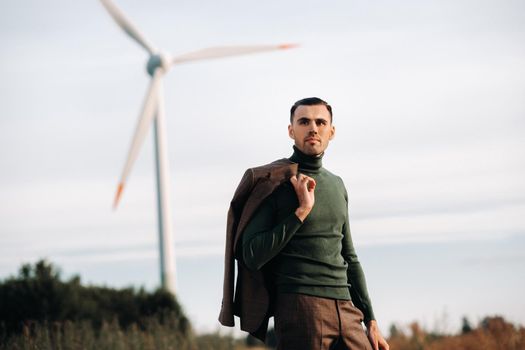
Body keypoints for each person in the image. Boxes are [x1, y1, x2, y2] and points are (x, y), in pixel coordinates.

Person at [219, 97, 389, 350]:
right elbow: (251, 254)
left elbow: (349, 256)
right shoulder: (273, 183)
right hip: (301, 306)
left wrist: (371, 319)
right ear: (291, 130)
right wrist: (301, 212)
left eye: (321, 122)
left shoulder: (337, 184)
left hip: (347, 308)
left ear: (331, 132)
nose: (313, 128)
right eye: (304, 121)